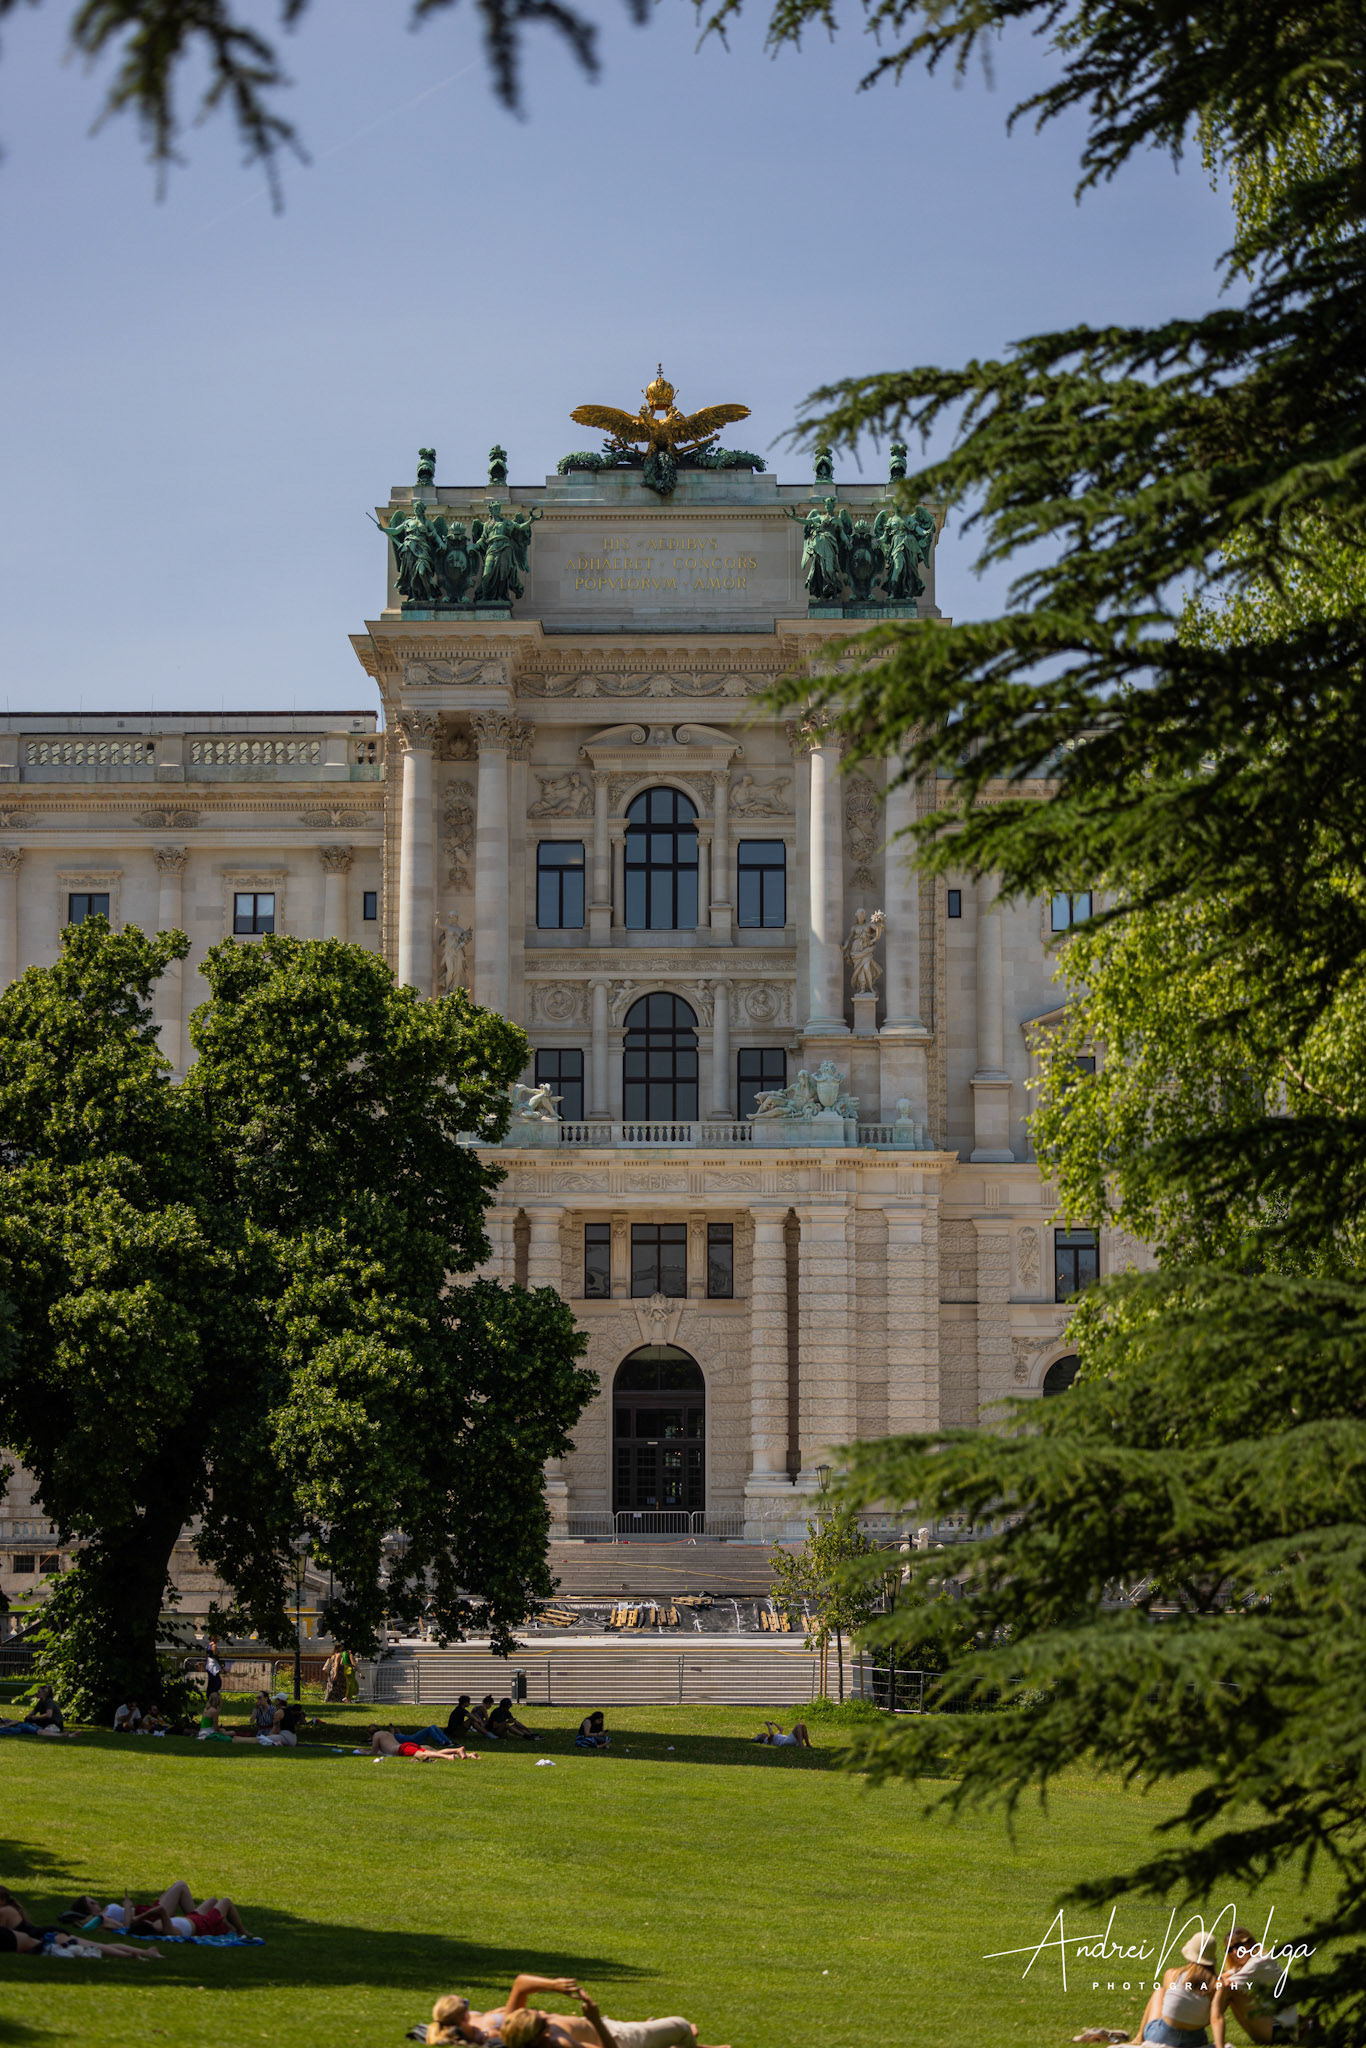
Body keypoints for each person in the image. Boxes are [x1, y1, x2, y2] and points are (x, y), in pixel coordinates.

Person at [1211, 1926, 1300, 2046]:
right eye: (1230, 1950)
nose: (1235, 1952)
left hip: (1281, 2032)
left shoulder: (1258, 1963)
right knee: (1228, 1988)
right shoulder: (1252, 1962)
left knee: (1229, 1989)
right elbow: (1225, 1976)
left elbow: (1224, 1984)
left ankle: (1195, 2027)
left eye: (1238, 1946)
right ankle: (1194, 2026)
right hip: (1271, 2028)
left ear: (1249, 1943)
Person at [1128, 1934, 1221, 2045]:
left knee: (1159, 1992)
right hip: (1196, 2041)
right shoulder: (1216, 1985)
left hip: (1161, 2037)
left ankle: (1139, 2038)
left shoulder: (1172, 1974)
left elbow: (1171, 2007)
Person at [368, 1726, 478, 1762]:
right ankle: (465, 1754)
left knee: (425, 1755)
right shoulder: (387, 1733)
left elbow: (374, 1752)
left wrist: (364, 1752)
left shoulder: (377, 1735)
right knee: (434, 1752)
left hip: (402, 1748)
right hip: (405, 1745)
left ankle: (450, 1755)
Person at [204, 1639, 224, 1706]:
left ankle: (210, 1697)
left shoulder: (209, 1645)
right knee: (216, 1683)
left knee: (211, 1683)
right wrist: (221, 1664)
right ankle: (213, 1697)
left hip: (209, 1665)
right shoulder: (213, 1646)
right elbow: (215, 1655)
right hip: (213, 1666)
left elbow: (206, 1656)